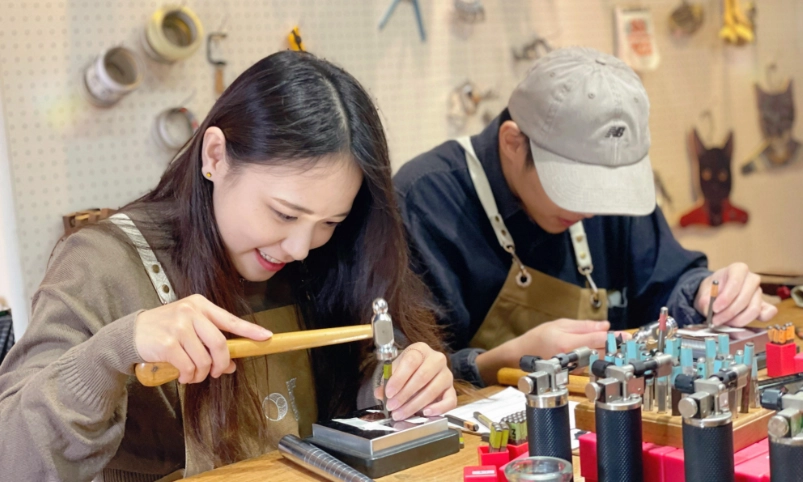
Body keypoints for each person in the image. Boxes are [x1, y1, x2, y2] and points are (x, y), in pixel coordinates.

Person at [0, 51, 456, 481]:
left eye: (330, 221)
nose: (300, 247)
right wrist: (114, 351)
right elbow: (13, 459)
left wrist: (397, 385)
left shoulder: (323, 258)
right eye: (283, 214)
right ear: (215, 156)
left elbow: (356, 374)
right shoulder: (102, 263)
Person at [394, 47, 777, 387]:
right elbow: (407, 376)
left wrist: (708, 292)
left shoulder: (606, 198)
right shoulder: (426, 201)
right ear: (513, 143)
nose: (590, 210)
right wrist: (499, 362)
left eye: (606, 188)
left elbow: (666, 283)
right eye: (574, 187)